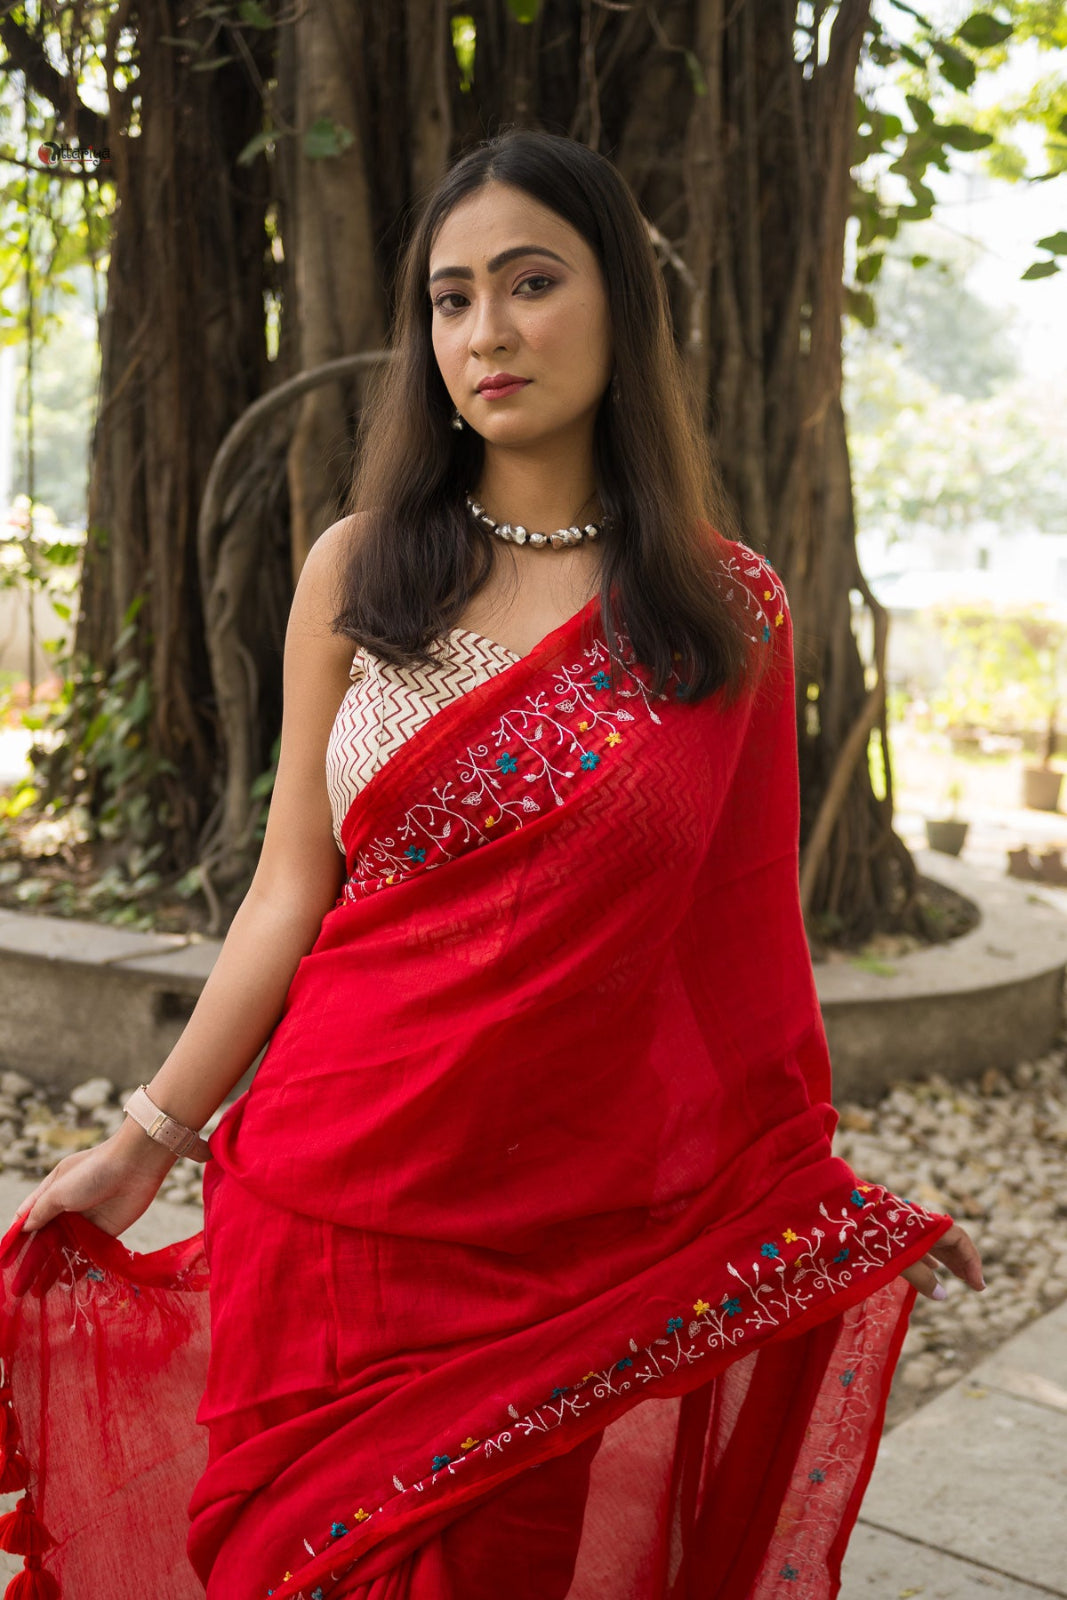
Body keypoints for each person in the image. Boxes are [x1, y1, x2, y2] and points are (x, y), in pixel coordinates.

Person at [0, 128, 983, 1600]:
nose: (487, 332)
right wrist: (147, 1139)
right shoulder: (359, 570)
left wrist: (815, 1212)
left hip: (553, 1246)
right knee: (292, 1562)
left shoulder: (723, 615)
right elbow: (288, 889)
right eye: (451, 299)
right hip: (325, 1201)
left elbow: (740, 958)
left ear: (619, 308)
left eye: (530, 282)